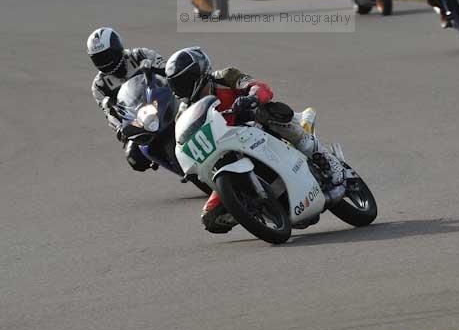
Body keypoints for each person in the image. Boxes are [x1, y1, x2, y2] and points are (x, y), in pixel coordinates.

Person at [165, 46, 346, 234]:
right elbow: (182, 141)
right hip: (227, 152)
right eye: (175, 84)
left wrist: (251, 98)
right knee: (210, 219)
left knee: (268, 111)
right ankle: (254, 207)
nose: (180, 88)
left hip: (253, 127)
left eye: (183, 81)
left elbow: (260, 88)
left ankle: (324, 158)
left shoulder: (225, 77)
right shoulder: (184, 112)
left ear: (198, 73)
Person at [88, 27, 167, 172]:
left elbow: (168, 71)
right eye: (99, 59)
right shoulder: (99, 86)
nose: (104, 62)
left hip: (164, 101)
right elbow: (109, 113)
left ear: (117, 49)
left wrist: (153, 68)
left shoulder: (140, 55)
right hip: (139, 120)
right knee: (134, 158)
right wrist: (120, 129)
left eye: (107, 56)